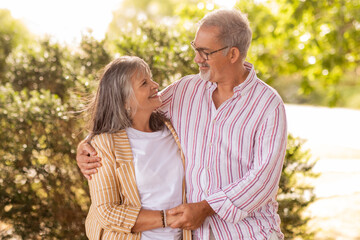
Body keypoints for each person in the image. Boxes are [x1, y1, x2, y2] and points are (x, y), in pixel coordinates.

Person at [78, 9, 287, 240]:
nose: (197, 58)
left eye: (205, 52)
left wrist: (206, 207)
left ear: (233, 54)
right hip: (196, 235)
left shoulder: (268, 105)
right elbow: (133, 107)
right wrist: (89, 143)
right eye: (195, 48)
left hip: (249, 234)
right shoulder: (186, 90)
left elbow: (263, 179)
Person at [82, 56, 191, 240]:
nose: (155, 85)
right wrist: (168, 218)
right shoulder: (104, 145)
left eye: (151, 78)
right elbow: (106, 212)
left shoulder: (174, 130)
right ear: (124, 101)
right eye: (144, 83)